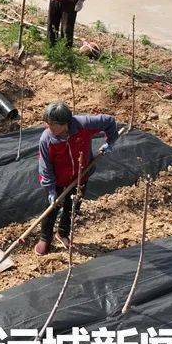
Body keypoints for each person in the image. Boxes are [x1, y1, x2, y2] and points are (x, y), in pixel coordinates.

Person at [36, 102, 119, 256]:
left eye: (52, 124)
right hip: (58, 180)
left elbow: (109, 121)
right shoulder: (46, 139)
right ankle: (45, 238)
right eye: (47, 123)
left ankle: (62, 233)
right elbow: (45, 167)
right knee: (51, 210)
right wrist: (50, 189)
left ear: (64, 124)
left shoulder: (84, 125)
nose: (48, 127)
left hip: (81, 175)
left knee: (72, 206)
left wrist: (110, 141)